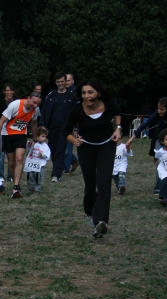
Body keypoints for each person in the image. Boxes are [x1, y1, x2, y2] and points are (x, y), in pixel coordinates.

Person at [64, 78, 122, 238]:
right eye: (83, 93)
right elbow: (65, 131)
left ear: (99, 93)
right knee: (90, 185)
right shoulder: (77, 109)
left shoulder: (109, 102)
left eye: (90, 92)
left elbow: (117, 112)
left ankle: (101, 222)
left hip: (106, 145)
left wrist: (118, 128)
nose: (87, 96)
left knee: (104, 183)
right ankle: (89, 212)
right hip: (86, 147)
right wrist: (73, 140)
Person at [126, 97, 167, 195]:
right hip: (160, 138)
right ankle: (158, 188)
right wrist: (132, 138)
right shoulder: (157, 113)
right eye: (158, 108)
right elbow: (146, 124)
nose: (159, 111)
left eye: (162, 109)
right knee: (160, 161)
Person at [0, 92, 42, 198]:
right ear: (28, 98)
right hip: (8, 134)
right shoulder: (15, 105)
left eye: (38, 104)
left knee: (19, 158)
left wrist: (35, 138)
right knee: (11, 163)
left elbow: (34, 123)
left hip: (21, 135)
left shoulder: (36, 110)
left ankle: (16, 187)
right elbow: (0, 122)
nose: (35, 106)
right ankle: (15, 183)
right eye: (34, 102)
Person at [40, 72, 75, 183]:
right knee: (53, 150)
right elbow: (44, 111)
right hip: (51, 128)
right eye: (58, 82)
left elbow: (75, 113)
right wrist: (42, 125)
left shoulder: (71, 95)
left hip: (65, 129)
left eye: (62, 81)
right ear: (55, 82)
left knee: (61, 150)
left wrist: (76, 127)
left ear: (65, 82)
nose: (60, 83)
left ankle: (56, 174)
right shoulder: (51, 95)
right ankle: (58, 170)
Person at [0, 84, 15, 182]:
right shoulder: (0, 103)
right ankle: (0, 175)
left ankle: (11, 175)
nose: (9, 92)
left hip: (14, 130)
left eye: (11, 90)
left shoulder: (16, 102)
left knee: (12, 154)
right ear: (4, 92)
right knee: (1, 154)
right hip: (3, 130)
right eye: (7, 90)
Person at [24, 127, 51, 194]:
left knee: (39, 177)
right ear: (37, 137)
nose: (44, 138)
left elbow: (47, 155)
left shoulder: (45, 146)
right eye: (42, 136)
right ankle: (31, 188)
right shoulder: (34, 144)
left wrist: (42, 155)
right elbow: (27, 145)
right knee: (30, 176)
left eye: (45, 136)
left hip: (39, 165)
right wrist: (29, 143)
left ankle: (37, 190)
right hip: (31, 164)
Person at [64, 73, 80, 174]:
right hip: (63, 124)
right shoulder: (63, 92)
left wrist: (76, 127)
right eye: (65, 80)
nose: (66, 82)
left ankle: (65, 169)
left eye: (68, 80)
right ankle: (74, 160)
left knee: (67, 148)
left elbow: (78, 112)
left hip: (71, 125)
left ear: (73, 81)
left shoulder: (75, 93)